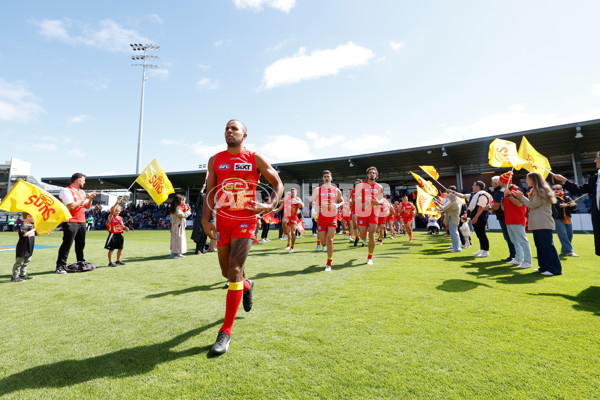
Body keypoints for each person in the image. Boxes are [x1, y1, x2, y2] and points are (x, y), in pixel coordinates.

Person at [202, 119, 283, 357]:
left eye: (234, 128)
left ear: (244, 135)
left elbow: (277, 184)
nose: (229, 131)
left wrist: (268, 205)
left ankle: (225, 332)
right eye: (227, 128)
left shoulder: (255, 158)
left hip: (245, 219)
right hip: (222, 220)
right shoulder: (215, 160)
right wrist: (206, 220)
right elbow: (209, 191)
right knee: (227, 274)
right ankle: (248, 286)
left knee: (236, 269)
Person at [514, 172, 562, 276]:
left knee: (547, 246)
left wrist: (521, 197)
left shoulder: (541, 191)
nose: (526, 181)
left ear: (533, 180)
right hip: (539, 223)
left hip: (543, 222)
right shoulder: (537, 191)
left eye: (528, 179)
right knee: (540, 245)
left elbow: (532, 205)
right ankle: (544, 266)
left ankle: (555, 269)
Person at [554, 151, 600, 256]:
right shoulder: (595, 179)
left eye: (597, 158)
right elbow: (579, 189)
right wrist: (564, 180)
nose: (595, 160)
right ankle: (567, 250)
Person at [55, 173, 97, 274]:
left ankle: (81, 262)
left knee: (81, 244)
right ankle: (60, 266)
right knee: (67, 244)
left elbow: (87, 207)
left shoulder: (82, 192)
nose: (84, 182)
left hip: (82, 221)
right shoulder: (66, 190)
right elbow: (72, 206)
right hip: (70, 221)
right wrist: (85, 198)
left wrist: (90, 198)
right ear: (78, 180)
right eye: (83, 180)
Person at [310, 170, 344, 270]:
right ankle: (325, 246)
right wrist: (316, 207)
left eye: (328, 176)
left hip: (332, 217)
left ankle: (329, 263)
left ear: (331, 178)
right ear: (322, 178)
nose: (326, 178)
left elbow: (342, 202)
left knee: (330, 240)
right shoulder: (318, 190)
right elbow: (311, 201)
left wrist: (337, 205)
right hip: (321, 218)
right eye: (324, 176)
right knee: (323, 242)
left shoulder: (336, 190)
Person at [499, 172, 533, 269]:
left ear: (504, 181)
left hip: (516, 218)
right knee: (514, 240)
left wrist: (509, 195)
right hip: (510, 218)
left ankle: (527, 261)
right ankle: (518, 258)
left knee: (522, 240)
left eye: (500, 180)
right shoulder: (507, 190)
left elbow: (519, 204)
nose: (499, 182)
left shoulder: (515, 190)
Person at [450, 181, 493, 257]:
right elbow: (462, 196)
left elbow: (481, 207)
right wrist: (453, 192)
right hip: (476, 216)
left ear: (478, 186)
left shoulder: (482, 195)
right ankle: (482, 249)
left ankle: (486, 251)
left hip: (480, 216)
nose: (472, 186)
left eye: (474, 185)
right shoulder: (475, 195)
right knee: (479, 234)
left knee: (482, 234)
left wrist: (476, 217)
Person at [355, 166, 384, 265]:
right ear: (367, 175)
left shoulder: (379, 187)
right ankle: (364, 239)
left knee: (372, 234)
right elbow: (356, 198)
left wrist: (378, 202)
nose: (372, 174)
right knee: (363, 235)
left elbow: (381, 199)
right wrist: (361, 203)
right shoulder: (361, 185)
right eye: (370, 173)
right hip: (363, 213)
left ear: (376, 175)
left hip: (374, 213)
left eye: (374, 173)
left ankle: (370, 257)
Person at [491, 176, 516, 263]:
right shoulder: (503, 191)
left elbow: (496, 206)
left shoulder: (499, 192)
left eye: (492, 182)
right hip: (507, 216)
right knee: (511, 237)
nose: (491, 184)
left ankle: (513, 255)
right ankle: (515, 255)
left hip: (504, 217)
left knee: (508, 237)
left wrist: (489, 207)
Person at [551, 184, 578, 257]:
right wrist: (562, 205)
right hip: (557, 218)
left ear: (562, 189)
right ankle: (570, 251)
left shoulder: (567, 197)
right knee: (563, 234)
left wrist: (573, 205)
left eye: (557, 188)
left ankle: (564, 250)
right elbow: (556, 205)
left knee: (569, 235)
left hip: (567, 218)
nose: (555, 190)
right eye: (554, 189)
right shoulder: (552, 197)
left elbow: (574, 208)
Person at [11, 212, 38, 282]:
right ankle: (15, 277)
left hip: (29, 247)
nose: (34, 218)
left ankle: (23, 274)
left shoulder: (31, 226)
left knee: (26, 262)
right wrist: (34, 229)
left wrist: (46, 231)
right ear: (28, 217)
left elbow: (35, 234)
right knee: (19, 263)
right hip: (22, 248)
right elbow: (25, 234)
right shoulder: (22, 226)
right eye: (32, 216)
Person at [169, 194, 192, 259]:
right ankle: (173, 254)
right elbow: (183, 215)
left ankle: (179, 253)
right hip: (177, 226)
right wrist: (189, 211)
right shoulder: (176, 208)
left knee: (180, 239)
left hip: (179, 225)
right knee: (176, 239)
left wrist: (186, 209)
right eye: (182, 200)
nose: (183, 201)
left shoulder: (177, 207)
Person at [191, 185, 208, 254]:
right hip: (200, 221)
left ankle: (202, 249)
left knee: (204, 235)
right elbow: (200, 195)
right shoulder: (200, 205)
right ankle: (198, 250)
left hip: (205, 221)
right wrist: (203, 187)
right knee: (200, 235)